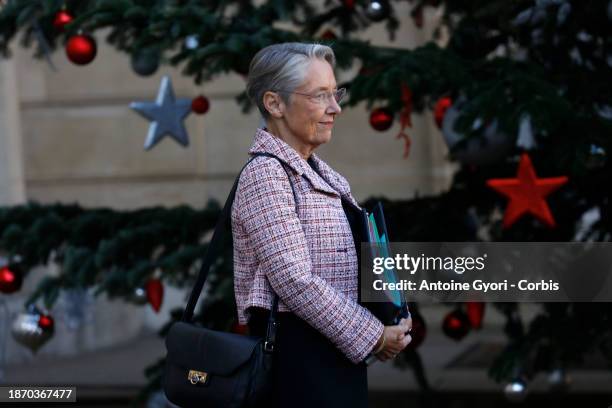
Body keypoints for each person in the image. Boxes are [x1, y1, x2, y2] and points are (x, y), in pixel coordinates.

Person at [231, 42, 412, 408]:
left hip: (330, 352)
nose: (336, 108)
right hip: (297, 361)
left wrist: (394, 312)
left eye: (335, 93)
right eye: (319, 96)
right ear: (274, 103)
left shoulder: (320, 172)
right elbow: (295, 280)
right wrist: (374, 336)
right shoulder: (266, 174)